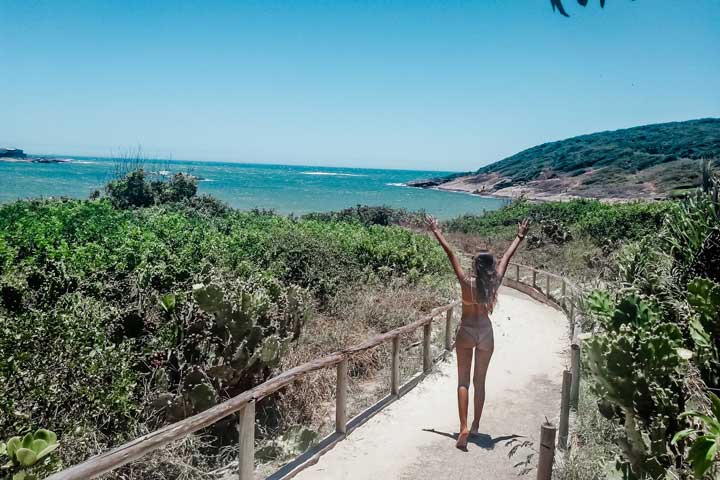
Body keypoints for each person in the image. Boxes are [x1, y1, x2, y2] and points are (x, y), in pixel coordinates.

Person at [425, 215, 530, 450]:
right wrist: (519, 236)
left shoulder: (465, 282)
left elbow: (451, 254)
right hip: (486, 333)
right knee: (479, 382)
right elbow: (507, 258)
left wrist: (436, 230)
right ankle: (475, 425)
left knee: (463, 382)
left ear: (475, 265)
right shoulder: (494, 283)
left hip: (466, 332)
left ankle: (462, 426)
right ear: (490, 267)